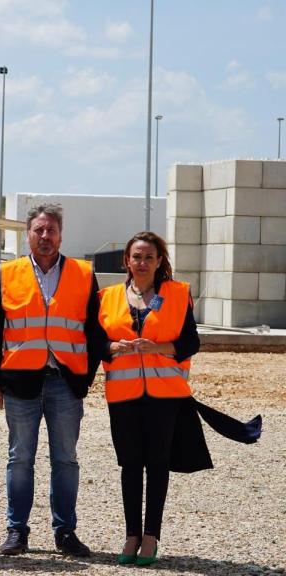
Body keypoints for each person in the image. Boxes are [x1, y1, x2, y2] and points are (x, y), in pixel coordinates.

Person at [98, 231, 260, 566]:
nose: (142, 263)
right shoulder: (108, 297)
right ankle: (131, 534)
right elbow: (96, 343)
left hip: (164, 395)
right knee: (130, 464)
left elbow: (190, 343)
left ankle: (150, 537)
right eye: (136, 257)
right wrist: (115, 347)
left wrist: (156, 348)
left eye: (149, 257)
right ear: (126, 260)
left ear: (160, 262)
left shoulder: (176, 294)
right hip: (123, 395)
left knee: (157, 465)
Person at [0, 203, 106, 557]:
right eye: (39, 230)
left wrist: (85, 378)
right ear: (28, 233)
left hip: (66, 383)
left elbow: (95, 331)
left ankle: (65, 532)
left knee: (65, 459)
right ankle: (16, 532)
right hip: (20, 383)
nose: (45, 236)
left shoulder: (83, 273)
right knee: (20, 459)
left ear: (61, 234)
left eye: (51, 230)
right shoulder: (9, 273)